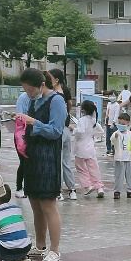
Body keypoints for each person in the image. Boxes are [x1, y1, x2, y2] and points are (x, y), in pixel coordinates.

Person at [14, 68, 66, 261]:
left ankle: (54, 250)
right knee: (35, 204)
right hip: (32, 157)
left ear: (42, 85)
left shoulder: (56, 100)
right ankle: (40, 246)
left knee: (48, 205)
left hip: (48, 158)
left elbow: (55, 131)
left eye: (31, 90)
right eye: (26, 91)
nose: (29, 94)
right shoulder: (35, 101)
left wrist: (33, 122)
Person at [48, 68, 77, 200]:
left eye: (50, 77)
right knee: (66, 161)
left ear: (56, 79)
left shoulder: (53, 94)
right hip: (65, 129)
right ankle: (72, 190)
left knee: (57, 162)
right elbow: (70, 104)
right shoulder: (65, 90)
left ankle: (58, 191)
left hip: (58, 130)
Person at [73, 99, 104, 197]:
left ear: (83, 110)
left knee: (81, 168)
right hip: (90, 148)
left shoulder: (82, 120)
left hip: (80, 148)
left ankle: (88, 186)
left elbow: (80, 131)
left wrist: (73, 129)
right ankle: (99, 187)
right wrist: (92, 134)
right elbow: (101, 131)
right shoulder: (93, 121)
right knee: (94, 169)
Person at [110, 112, 131, 198]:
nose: (121, 125)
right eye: (119, 123)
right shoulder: (117, 133)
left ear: (128, 124)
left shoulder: (130, 134)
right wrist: (115, 137)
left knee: (130, 175)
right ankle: (117, 191)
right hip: (119, 158)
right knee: (119, 175)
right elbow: (112, 140)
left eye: (123, 124)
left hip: (129, 158)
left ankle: (130, 190)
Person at [104, 91, 120, 156]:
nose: (111, 97)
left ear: (116, 97)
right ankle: (108, 149)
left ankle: (113, 151)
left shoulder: (117, 105)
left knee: (113, 137)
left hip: (113, 124)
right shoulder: (109, 104)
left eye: (113, 95)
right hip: (108, 122)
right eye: (110, 95)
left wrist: (113, 123)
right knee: (108, 137)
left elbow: (116, 115)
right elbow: (107, 113)